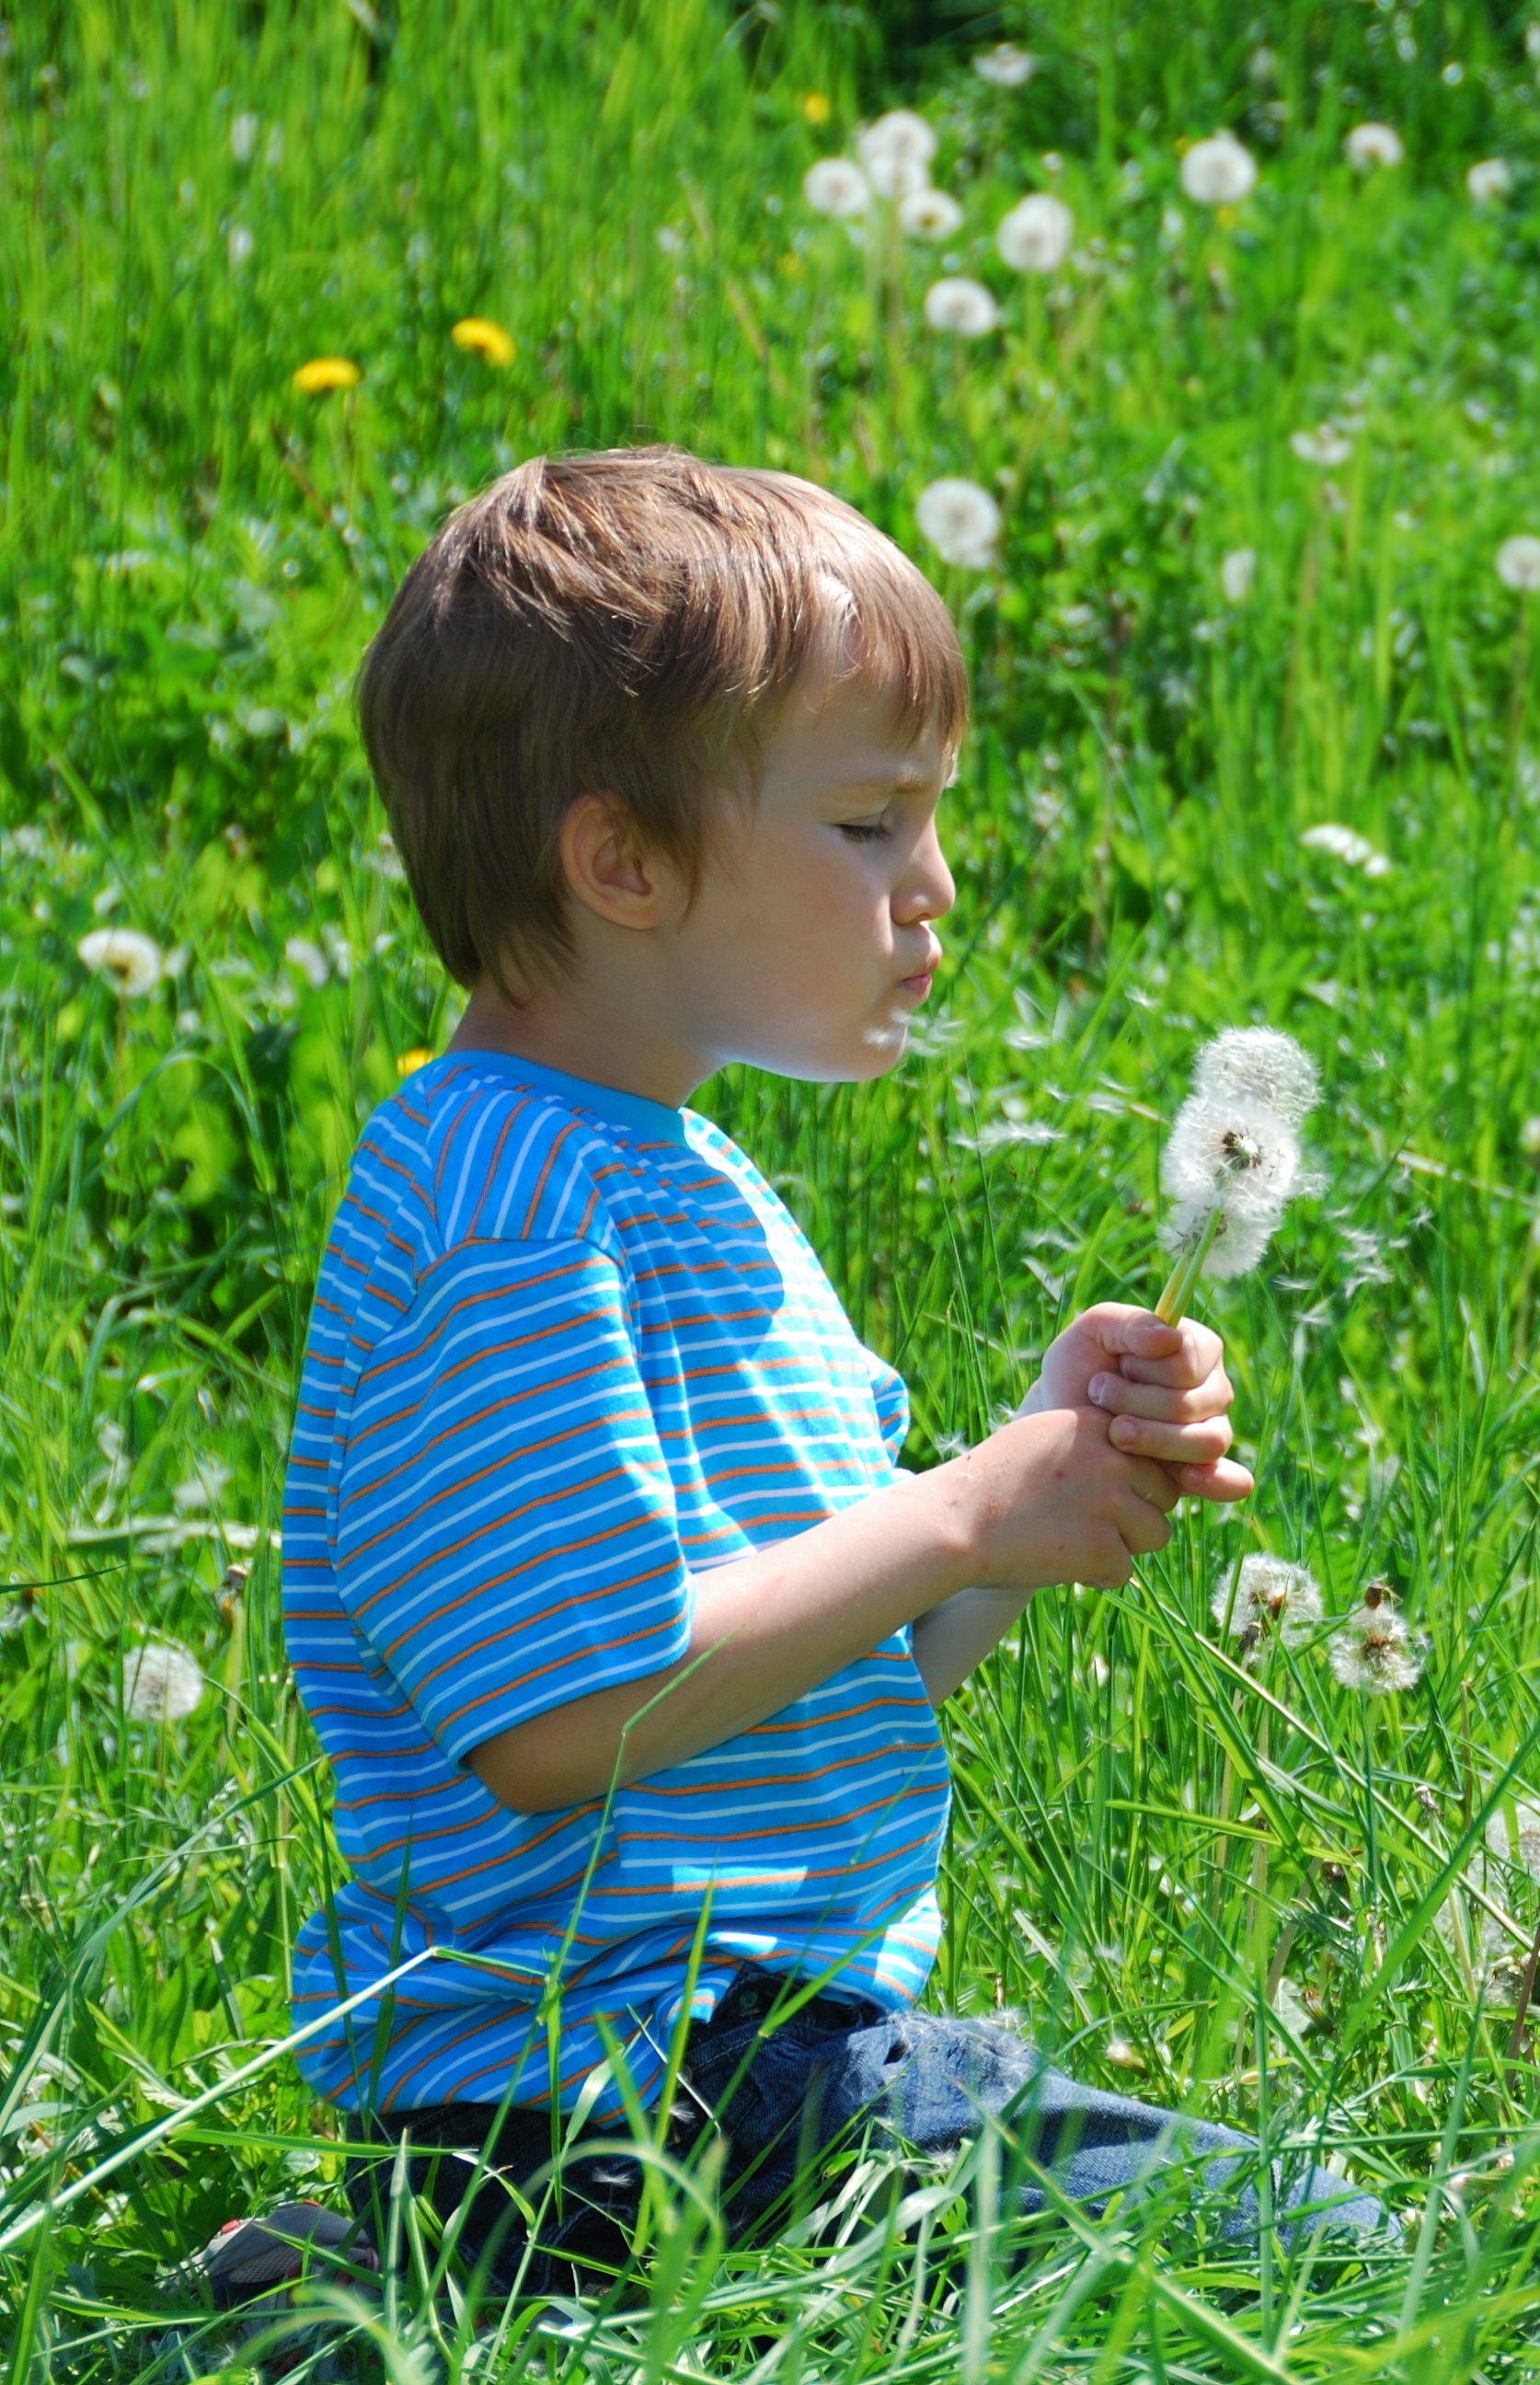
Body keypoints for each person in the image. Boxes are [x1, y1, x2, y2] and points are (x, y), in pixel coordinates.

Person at [218, 448, 1376, 2312]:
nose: (930, 889)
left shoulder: (674, 1178)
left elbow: (822, 1673)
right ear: (623, 861)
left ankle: (438, 2263)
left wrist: (1019, 1500)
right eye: (865, 827)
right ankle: (460, 2249)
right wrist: (952, 1511)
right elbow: (563, 1720)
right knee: (1317, 2259)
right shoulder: (500, 1210)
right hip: (638, 2083)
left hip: (718, 2063)